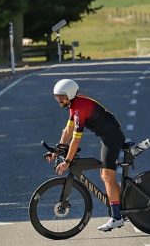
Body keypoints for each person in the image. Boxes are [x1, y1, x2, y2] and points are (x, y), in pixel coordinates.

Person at [49, 78, 127, 231]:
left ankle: (117, 217)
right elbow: (68, 130)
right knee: (106, 175)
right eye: (56, 96)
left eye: (61, 96)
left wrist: (67, 161)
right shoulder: (74, 105)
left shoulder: (79, 109)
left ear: (70, 95)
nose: (58, 100)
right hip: (107, 136)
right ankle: (121, 206)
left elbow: (76, 140)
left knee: (107, 176)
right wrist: (56, 150)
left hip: (112, 137)